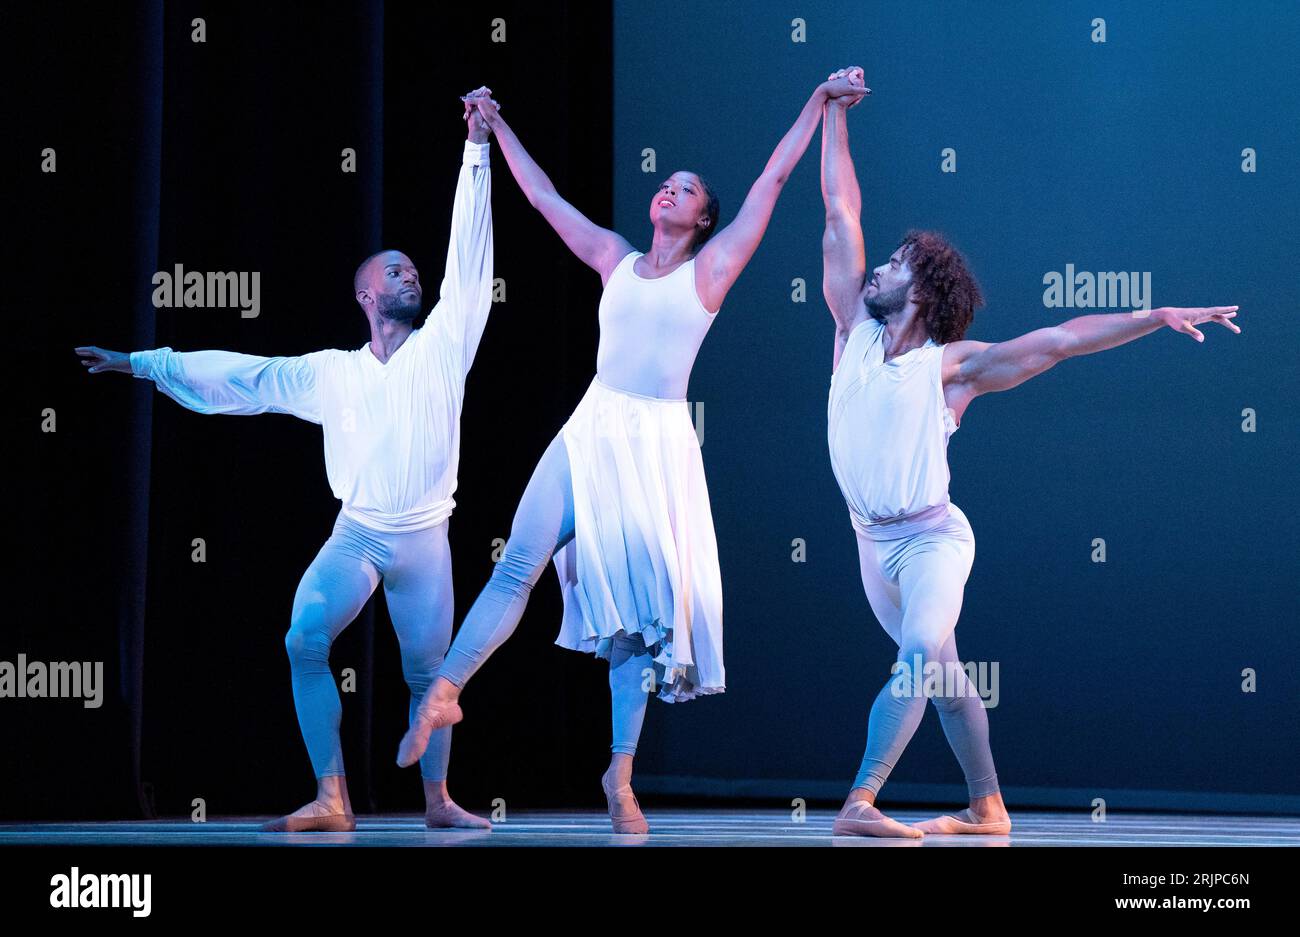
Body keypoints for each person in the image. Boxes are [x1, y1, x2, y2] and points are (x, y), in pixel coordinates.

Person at [396, 73, 871, 833]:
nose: (669, 190)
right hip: (591, 426)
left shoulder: (710, 270)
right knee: (517, 562)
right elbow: (546, 200)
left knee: (636, 627)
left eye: (685, 190)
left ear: (704, 217)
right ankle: (446, 688)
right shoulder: (615, 256)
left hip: (654, 446)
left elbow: (771, 180)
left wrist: (819, 103)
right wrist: (492, 124)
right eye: (667, 183)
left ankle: (619, 775)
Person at [818, 67, 1241, 837]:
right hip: (867, 543)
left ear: (921, 290)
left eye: (895, 262)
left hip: (929, 541)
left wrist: (1157, 314)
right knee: (945, 677)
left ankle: (859, 802)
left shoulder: (949, 369)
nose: (876, 265)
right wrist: (832, 112)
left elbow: (1060, 341)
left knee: (917, 652)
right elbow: (840, 208)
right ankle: (987, 807)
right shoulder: (852, 328)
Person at [75, 88, 501, 833]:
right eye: (395, 272)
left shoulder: (444, 346)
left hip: (426, 540)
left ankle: (437, 799)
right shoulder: (331, 372)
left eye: (413, 271)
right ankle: (332, 796)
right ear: (366, 295)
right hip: (358, 534)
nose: (412, 277)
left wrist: (477, 148)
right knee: (303, 636)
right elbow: (243, 375)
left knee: (427, 677)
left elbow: (468, 257)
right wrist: (143, 362)